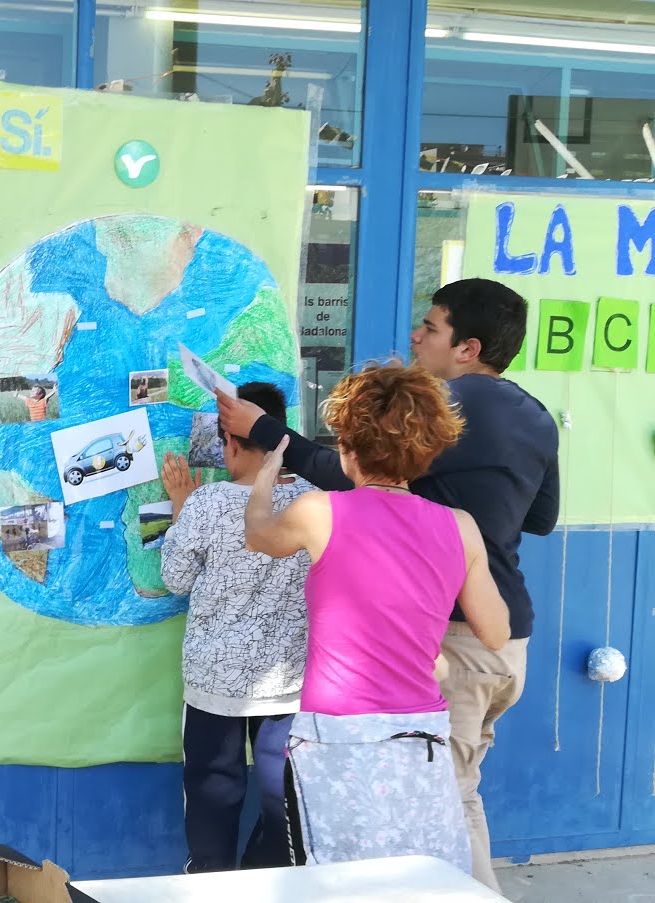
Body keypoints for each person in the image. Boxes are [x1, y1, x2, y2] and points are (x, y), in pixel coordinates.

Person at [215, 278, 558, 890]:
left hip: (364, 714)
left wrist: (269, 449)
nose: (416, 335)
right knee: (453, 805)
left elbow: (286, 512)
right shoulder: (525, 428)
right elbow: (541, 519)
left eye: (430, 327)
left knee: (375, 850)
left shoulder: (339, 500)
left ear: (468, 348)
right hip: (497, 655)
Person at [243, 363, 512, 873]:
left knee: (337, 880)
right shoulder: (460, 527)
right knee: (417, 879)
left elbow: (259, 535)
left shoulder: (318, 509)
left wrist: (264, 480)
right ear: (429, 449)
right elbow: (496, 631)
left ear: (347, 446)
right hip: (421, 736)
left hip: (335, 738)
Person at [160, 382, 313, 873]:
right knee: (283, 800)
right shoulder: (317, 502)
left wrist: (183, 505)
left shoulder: (207, 504)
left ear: (230, 442)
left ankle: (211, 882)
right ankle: (262, 881)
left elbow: (175, 578)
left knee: (212, 794)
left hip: (214, 685)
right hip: (289, 683)